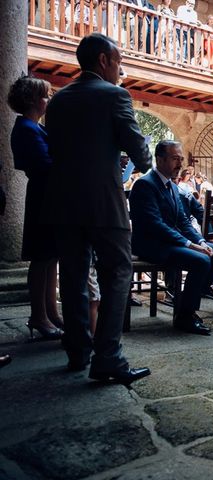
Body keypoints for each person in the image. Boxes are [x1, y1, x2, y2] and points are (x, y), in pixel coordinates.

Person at [46, 33, 152, 384]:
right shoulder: (115, 95)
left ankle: (78, 351)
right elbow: (140, 151)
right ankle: (108, 357)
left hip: (64, 203)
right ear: (104, 60)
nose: (121, 70)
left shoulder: (58, 100)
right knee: (118, 272)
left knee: (74, 276)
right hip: (105, 203)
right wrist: (143, 154)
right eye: (119, 62)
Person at [129, 140, 213, 336]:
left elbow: (183, 222)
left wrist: (200, 242)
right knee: (200, 260)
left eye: (181, 159)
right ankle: (185, 316)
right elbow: (155, 225)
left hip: (170, 242)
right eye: (175, 159)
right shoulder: (144, 184)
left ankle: (185, 303)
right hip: (151, 245)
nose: (180, 164)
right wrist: (190, 245)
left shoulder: (173, 187)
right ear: (159, 159)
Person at [8, 75, 63, 340]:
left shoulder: (34, 127)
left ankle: (51, 312)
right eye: (46, 96)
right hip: (43, 196)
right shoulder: (27, 129)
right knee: (41, 259)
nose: (49, 100)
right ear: (32, 100)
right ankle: (39, 316)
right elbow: (45, 165)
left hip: (48, 196)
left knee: (50, 257)